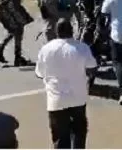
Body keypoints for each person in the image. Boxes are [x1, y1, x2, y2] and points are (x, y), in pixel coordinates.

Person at [36, 18, 97, 149]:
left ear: (56, 31)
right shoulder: (82, 47)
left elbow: (39, 73)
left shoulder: (46, 49)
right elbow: (92, 66)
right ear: (72, 30)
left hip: (56, 100)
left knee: (60, 137)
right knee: (79, 132)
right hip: (78, 98)